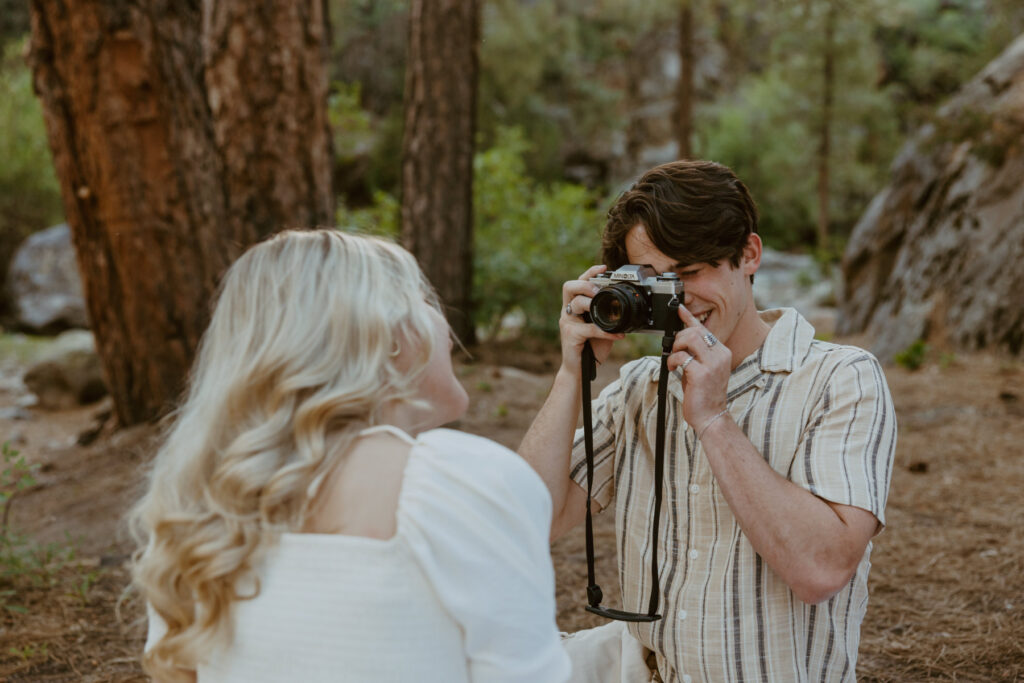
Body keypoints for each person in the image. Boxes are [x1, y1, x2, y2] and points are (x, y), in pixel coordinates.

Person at [131, 229, 571, 683]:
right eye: (424, 298)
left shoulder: (196, 508)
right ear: (389, 333)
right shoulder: (458, 483)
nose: (445, 322)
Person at [520, 160, 897, 683]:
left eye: (691, 272)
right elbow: (524, 523)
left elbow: (821, 570)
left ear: (749, 254)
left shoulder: (841, 379)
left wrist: (715, 419)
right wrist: (572, 371)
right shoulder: (640, 389)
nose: (680, 298)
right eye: (656, 281)